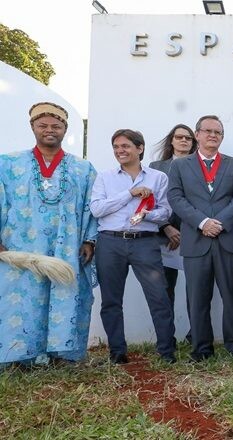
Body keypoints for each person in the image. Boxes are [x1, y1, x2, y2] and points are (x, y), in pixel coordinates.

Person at [0, 102, 98, 367]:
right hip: (20, 247)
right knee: (22, 298)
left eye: (56, 125)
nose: (49, 130)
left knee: (65, 293)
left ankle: (62, 354)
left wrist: (90, 239)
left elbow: (92, 206)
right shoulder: (7, 164)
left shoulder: (83, 169)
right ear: (32, 127)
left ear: (65, 129)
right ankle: (19, 356)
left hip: (66, 247)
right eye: (42, 125)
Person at [167, 115, 233, 361]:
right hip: (196, 240)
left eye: (218, 132)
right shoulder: (180, 166)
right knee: (197, 298)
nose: (213, 135)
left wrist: (218, 223)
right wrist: (202, 222)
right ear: (198, 135)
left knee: (232, 296)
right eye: (208, 131)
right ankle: (201, 349)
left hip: (228, 239)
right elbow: (176, 197)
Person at [91, 129, 176, 364]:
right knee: (111, 300)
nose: (120, 151)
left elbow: (165, 212)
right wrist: (129, 194)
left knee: (159, 297)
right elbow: (97, 209)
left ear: (139, 148)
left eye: (125, 146)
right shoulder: (104, 177)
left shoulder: (158, 177)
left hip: (145, 243)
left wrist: (146, 214)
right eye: (116, 147)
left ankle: (167, 352)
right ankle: (117, 352)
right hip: (110, 241)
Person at [149, 124, 197, 327]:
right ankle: (166, 335)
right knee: (164, 288)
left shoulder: (200, 166)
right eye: (179, 137)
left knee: (195, 290)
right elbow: (151, 202)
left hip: (193, 234)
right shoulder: (156, 167)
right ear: (172, 140)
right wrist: (166, 227)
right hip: (163, 236)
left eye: (188, 138)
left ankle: (195, 334)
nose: (184, 141)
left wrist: (186, 231)